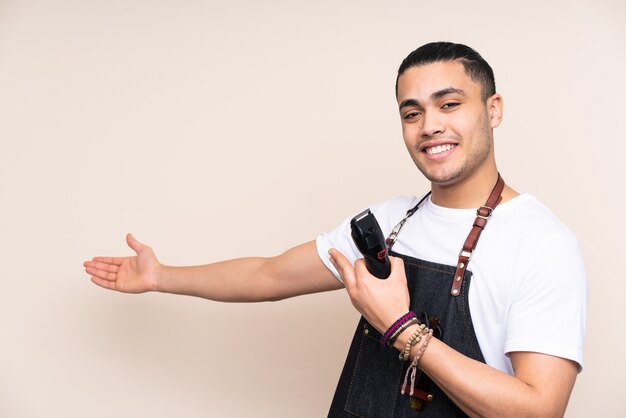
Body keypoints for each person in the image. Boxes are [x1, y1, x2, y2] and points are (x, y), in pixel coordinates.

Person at [83, 42, 587, 417]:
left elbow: (538, 410)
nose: (429, 125)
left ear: (493, 110)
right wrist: (160, 276)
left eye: (449, 104)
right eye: (412, 113)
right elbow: (269, 276)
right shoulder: (391, 222)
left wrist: (402, 329)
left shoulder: (541, 243)